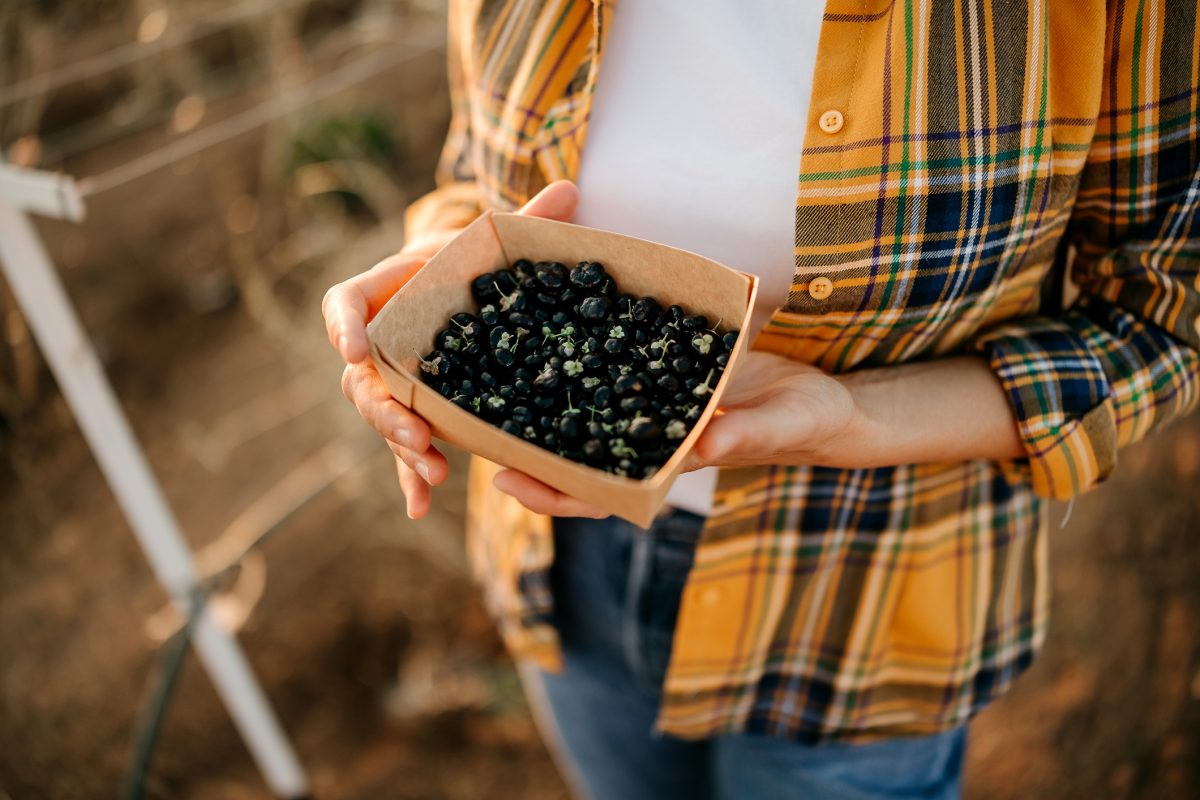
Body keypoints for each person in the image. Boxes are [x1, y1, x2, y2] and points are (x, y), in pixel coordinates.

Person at [323, 1, 1200, 797]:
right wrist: (431, 284)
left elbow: (1165, 320)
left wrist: (857, 417)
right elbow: (479, 170)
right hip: (563, 563)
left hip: (866, 597)